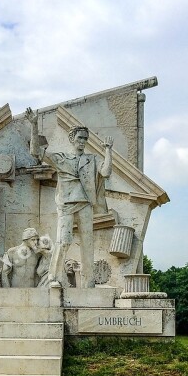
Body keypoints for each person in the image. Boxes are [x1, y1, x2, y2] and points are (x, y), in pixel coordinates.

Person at [25, 107, 113, 288]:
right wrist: (34, 124)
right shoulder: (62, 158)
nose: (83, 141)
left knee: (88, 242)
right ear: (72, 139)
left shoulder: (91, 159)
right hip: (66, 204)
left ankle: (88, 282)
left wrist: (108, 151)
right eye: (80, 138)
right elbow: (35, 152)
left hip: (85, 204)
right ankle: (54, 276)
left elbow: (105, 172)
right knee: (63, 240)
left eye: (85, 139)